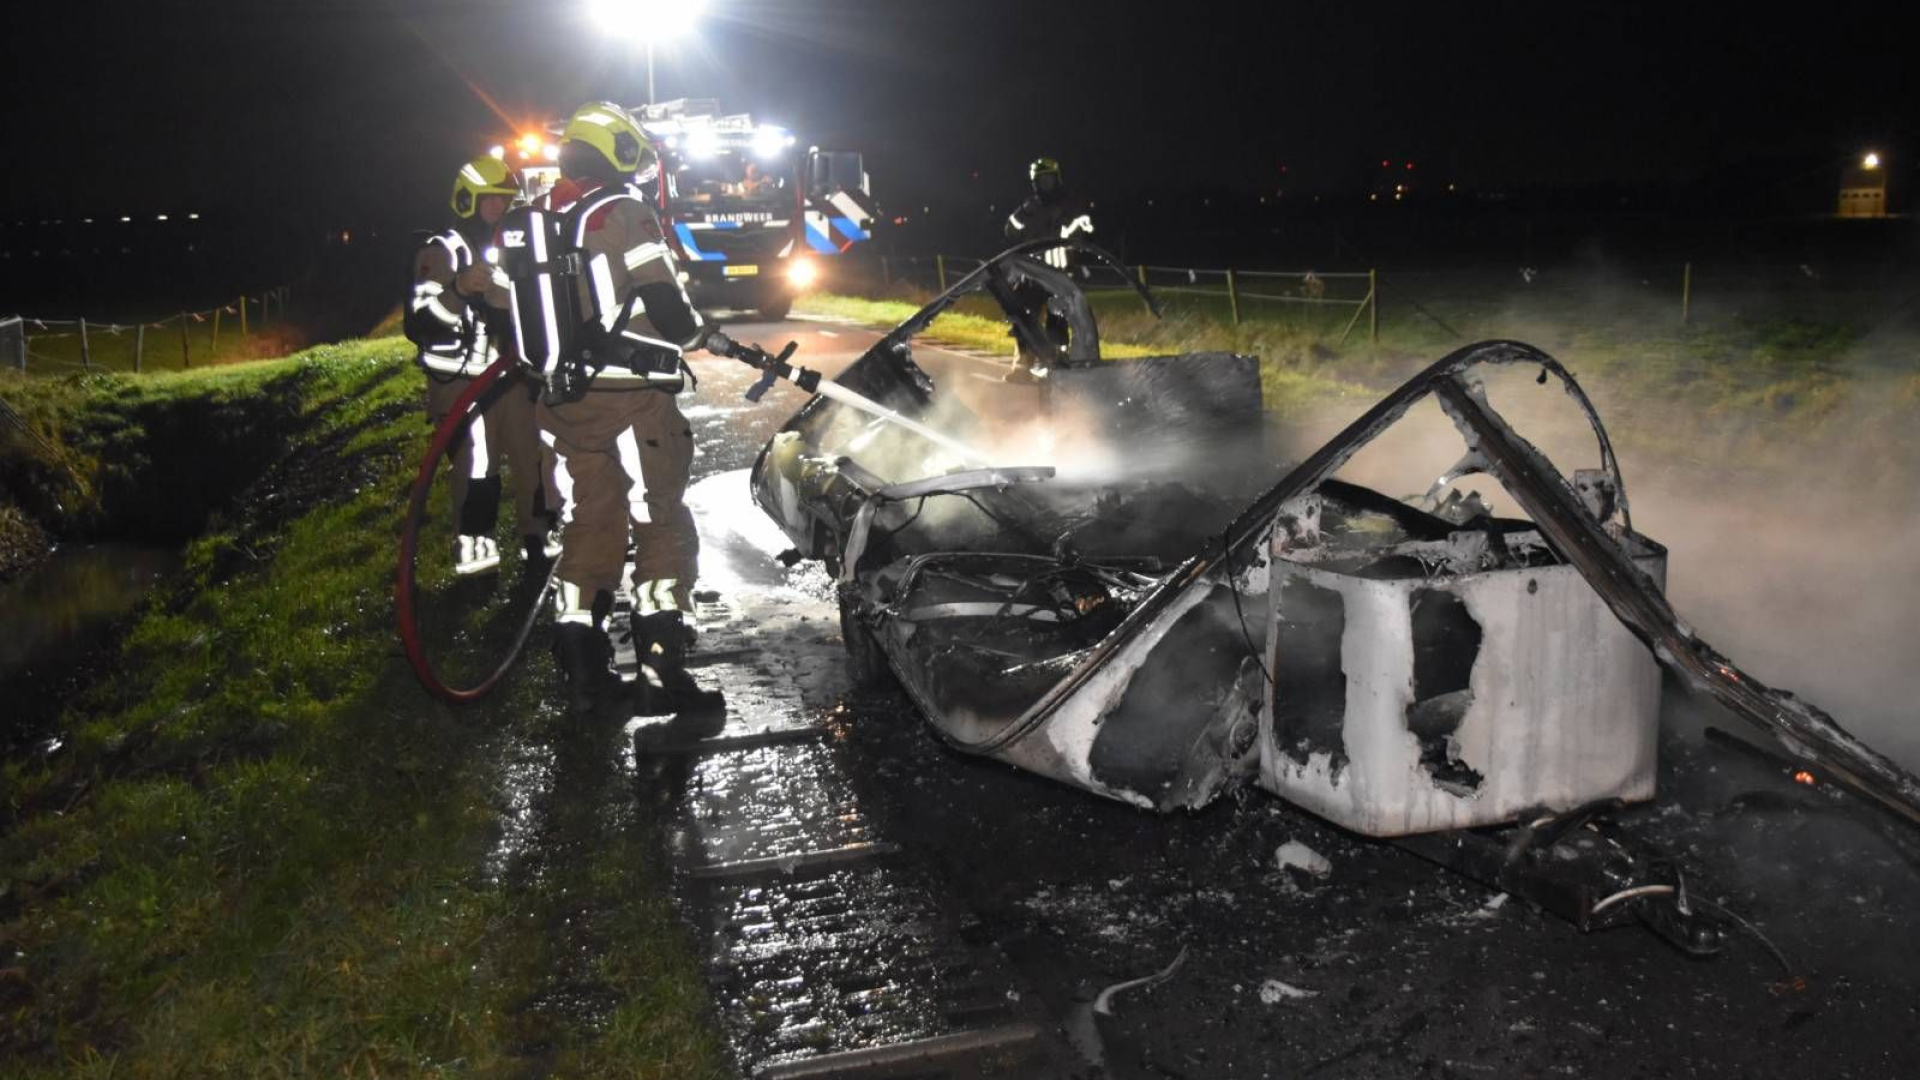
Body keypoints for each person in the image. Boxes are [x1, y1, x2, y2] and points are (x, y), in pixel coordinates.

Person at [509, 101, 722, 715]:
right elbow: (667, 303)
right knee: (660, 524)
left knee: (591, 524)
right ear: (620, 151)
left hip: (563, 403)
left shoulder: (546, 215)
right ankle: (661, 672)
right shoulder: (625, 212)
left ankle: (584, 674)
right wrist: (700, 334)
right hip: (632, 402)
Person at [406, 154, 557, 575]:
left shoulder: (510, 247)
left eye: (504, 199)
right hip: (460, 382)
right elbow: (419, 323)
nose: (498, 207)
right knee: (478, 462)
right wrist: (458, 290)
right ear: (466, 200)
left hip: (510, 375)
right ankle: (474, 542)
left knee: (534, 455)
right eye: (489, 198)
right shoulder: (440, 252)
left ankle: (538, 534)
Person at [1001, 157, 1095, 381]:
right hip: (1031, 275)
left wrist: (1074, 226)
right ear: (1035, 183)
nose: (1045, 184)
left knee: (1058, 322)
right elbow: (1009, 231)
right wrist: (1024, 213)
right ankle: (1023, 365)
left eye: (1049, 180)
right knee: (1023, 319)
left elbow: (1084, 229)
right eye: (1041, 181)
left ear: (1056, 180)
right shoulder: (1029, 207)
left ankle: (1057, 364)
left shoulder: (1069, 206)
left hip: (1058, 275)